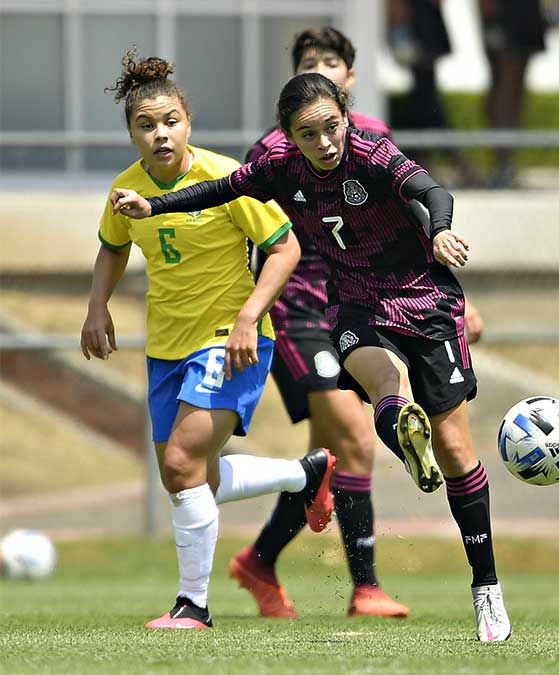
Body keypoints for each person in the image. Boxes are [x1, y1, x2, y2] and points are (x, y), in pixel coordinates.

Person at [109, 72, 511, 642]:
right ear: (289, 137)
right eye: (308, 134)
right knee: (376, 377)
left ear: (346, 116)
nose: (324, 143)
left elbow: (431, 191)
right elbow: (218, 191)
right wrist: (154, 206)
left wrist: (441, 231)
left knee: (456, 450)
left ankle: (485, 587)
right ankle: (399, 421)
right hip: (354, 305)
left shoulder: (372, 154)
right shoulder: (282, 169)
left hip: (426, 299)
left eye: (331, 128)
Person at [233, 25, 483, 621]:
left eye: (332, 62)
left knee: (332, 453)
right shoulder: (275, 155)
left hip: (369, 298)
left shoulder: (372, 142)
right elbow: (247, 233)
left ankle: (261, 560)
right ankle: (364, 586)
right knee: (352, 437)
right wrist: (247, 310)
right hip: (300, 309)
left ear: (348, 80)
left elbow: (410, 214)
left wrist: (457, 299)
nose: (323, 69)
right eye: (308, 63)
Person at [82, 51, 335, 630]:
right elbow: (114, 246)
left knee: (181, 461)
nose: (159, 133)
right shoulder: (125, 189)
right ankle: (307, 473)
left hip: (231, 340)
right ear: (132, 134)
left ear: (187, 123)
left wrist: (249, 317)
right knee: (191, 478)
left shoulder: (224, 179)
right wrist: (96, 306)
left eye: (170, 121)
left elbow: (286, 247)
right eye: (146, 125)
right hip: (165, 348)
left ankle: (192, 605)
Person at [387, 0, 483, 186]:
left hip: (423, 14)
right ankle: (453, 161)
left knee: (424, 91)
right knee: (425, 94)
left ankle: (424, 162)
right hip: (414, 15)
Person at [477, 0, 555, 188]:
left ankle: (507, 163)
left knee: (516, 89)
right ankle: (501, 163)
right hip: (501, 12)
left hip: (526, 11)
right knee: (504, 85)